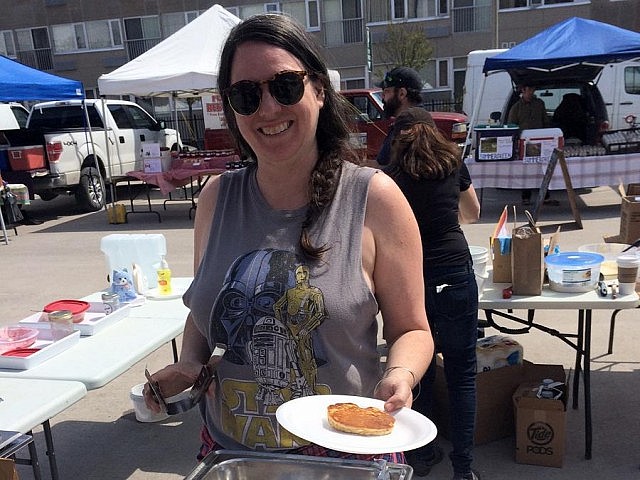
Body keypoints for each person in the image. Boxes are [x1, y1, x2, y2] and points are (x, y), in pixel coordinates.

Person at [143, 13, 434, 465]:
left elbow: (412, 328)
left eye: (284, 86)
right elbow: (206, 306)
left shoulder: (373, 197)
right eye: (245, 94)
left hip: (343, 454)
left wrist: (401, 374)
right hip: (231, 452)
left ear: (318, 89)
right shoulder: (216, 198)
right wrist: (192, 362)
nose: (268, 109)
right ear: (231, 107)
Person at [385, 107, 480, 480]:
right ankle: (464, 468)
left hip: (410, 279)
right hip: (455, 272)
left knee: (412, 372)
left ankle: (421, 453)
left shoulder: (391, 177)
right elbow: (471, 213)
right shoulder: (451, 162)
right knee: (462, 373)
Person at [507, 84, 554, 206]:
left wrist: (548, 136)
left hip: (541, 142)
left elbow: (545, 121)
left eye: (533, 89)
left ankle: (545, 196)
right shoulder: (516, 107)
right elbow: (511, 126)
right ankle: (526, 197)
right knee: (526, 171)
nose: (532, 92)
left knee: (542, 169)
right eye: (529, 90)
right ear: (523, 90)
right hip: (525, 143)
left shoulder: (539, 103)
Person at [375, 66, 425, 166]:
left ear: (402, 93)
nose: (383, 97)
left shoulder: (408, 128)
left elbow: (388, 169)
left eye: (386, 91)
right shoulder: (422, 121)